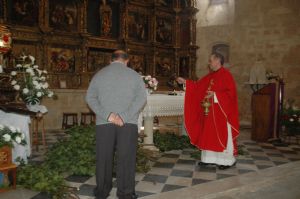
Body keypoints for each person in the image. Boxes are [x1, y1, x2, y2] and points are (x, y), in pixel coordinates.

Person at [86, 50, 147, 199]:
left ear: (110, 60)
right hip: (127, 123)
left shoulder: (99, 74)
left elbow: (90, 97)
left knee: (103, 158)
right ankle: (125, 193)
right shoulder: (134, 75)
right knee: (126, 158)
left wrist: (108, 115)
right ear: (127, 61)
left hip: (104, 123)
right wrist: (123, 117)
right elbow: (141, 99)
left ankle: (102, 192)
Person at [176, 52, 239, 170]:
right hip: (209, 113)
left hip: (221, 114)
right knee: (208, 135)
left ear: (217, 61)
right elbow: (198, 87)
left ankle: (226, 161)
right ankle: (208, 159)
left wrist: (215, 95)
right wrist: (185, 82)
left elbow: (231, 95)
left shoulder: (226, 75)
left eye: (210, 61)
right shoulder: (210, 76)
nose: (209, 63)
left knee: (221, 136)